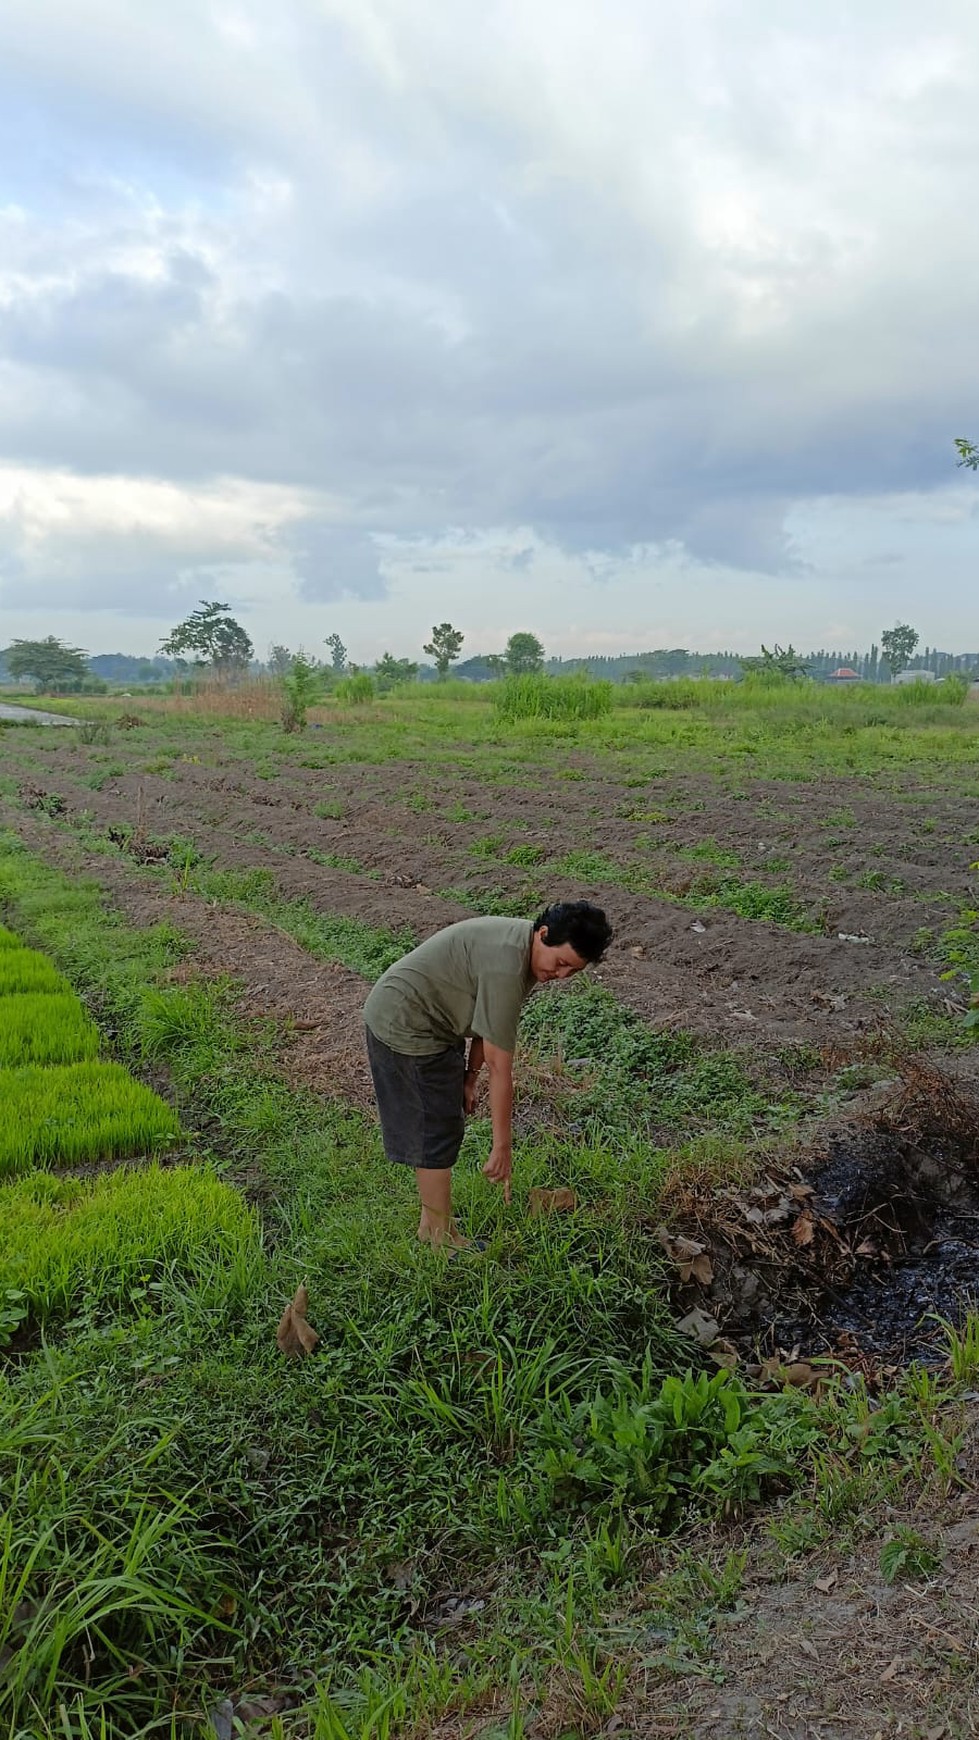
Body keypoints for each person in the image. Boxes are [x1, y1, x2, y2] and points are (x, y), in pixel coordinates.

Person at [362, 900, 613, 1250]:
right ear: (543, 934)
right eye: (561, 964)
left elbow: (487, 1021)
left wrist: (468, 1077)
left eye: (572, 971)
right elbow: (501, 1066)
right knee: (433, 1127)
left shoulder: (525, 948)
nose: (561, 976)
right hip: (407, 1022)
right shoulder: (506, 966)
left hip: (434, 1021)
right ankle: (439, 1238)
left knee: (442, 1120)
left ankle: (434, 1222)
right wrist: (502, 1147)